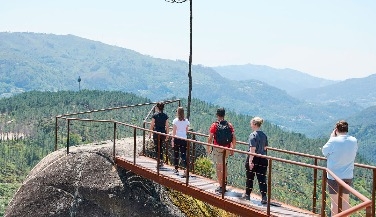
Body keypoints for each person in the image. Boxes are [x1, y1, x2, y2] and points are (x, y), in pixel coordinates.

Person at [322, 120, 358, 216]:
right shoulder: (354, 140)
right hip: (348, 175)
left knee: (335, 202)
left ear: (336, 130)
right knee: (345, 201)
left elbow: (324, 152)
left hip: (334, 176)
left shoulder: (333, 140)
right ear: (347, 129)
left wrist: (331, 138)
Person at [206, 108, 236, 193]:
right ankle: (224, 184)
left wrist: (208, 148)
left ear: (217, 115)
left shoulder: (215, 125)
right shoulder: (229, 125)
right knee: (224, 166)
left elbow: (210, 138)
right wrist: (233, 148)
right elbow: (234, 138)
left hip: (217, 148)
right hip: (227, 148)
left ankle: (221, 187)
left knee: (219, 167)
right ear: (224, 115)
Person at [243, 116, 268, 204]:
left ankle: (247, 195)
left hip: (254, 158)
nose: (250, 125)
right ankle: (264, 197)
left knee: (250, 177)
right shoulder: (264, 135)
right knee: (262, 178)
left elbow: (252, 150)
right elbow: (265, 148)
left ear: (254, 124)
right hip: (263, 159)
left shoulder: (253, 135)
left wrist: (250, 161)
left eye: (251, 123)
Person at [149, 102, 169, 167]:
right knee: (161, 147)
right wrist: (167, 135)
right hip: (163, 133)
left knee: (157, 147)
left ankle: (158, 162)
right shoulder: (165, 115)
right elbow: (167, 126)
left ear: (157, 107)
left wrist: (150, 133)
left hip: (156, 133)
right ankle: (161, 161)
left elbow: (152, 125)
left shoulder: (155, 115)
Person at [171, 107, 190, 177]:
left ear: (178, 112)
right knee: (183, 154)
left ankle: (176, 169)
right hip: (184, 139)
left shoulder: (175, 121)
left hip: (177, 138)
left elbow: (174, 132)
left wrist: (172, 140)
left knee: (176, 154)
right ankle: (187, 168)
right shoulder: (186, 121)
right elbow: (186, 130)